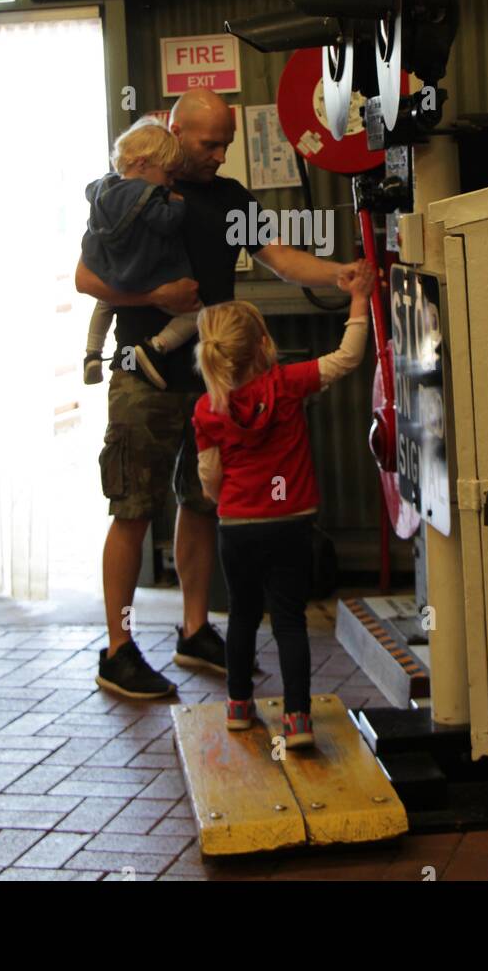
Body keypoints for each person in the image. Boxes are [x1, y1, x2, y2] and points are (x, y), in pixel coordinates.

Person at [74, 88, 361, 701]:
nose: (220, 155)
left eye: (227, 143)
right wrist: (155, 300)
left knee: (201, 502)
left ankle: (195, 627)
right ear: (176, 132)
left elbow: (279, 257)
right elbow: (85, 278)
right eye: (210, 144)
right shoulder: (129, 191)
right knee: (132, 510)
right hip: (141, 377)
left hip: (208, 380)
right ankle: (118, 649)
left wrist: (337, 275)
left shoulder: (230, 198)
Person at [193, 263, 374, 748]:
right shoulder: (288, 384)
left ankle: (237, 705)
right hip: (291, 523)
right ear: (262, 345)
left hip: (236, 525)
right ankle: (297, 720)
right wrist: (359, 297)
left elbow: (209, 476)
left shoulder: (208, 408)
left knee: (242, 616)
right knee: (290, 619)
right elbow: (347, 357)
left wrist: (224, 502)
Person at [81, 121, 204, 390]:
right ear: (143, 163)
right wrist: (175, 203)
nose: (171, 181)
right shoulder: (147, 194)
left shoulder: (102, 191)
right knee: (198, 315)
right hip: (148, 276)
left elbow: (87, 259)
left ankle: (92, 353)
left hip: (114, 277)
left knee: (104, 304)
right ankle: (155, 348)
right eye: (168, 173)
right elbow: (165, 222)